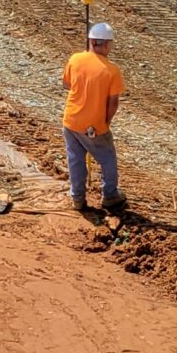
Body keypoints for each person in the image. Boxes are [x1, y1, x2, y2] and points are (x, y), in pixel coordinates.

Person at [60, 21, 125, 213]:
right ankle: (110, 196)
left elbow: (67, 85)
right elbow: (113, 103)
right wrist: (105, 122)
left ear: (91, 41)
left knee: (75, 160)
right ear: (105, 44)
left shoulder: (75, 59)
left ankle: (77, 199)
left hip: (71, 120)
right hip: (94, 126)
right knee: (107, 159)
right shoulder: (112, 70)